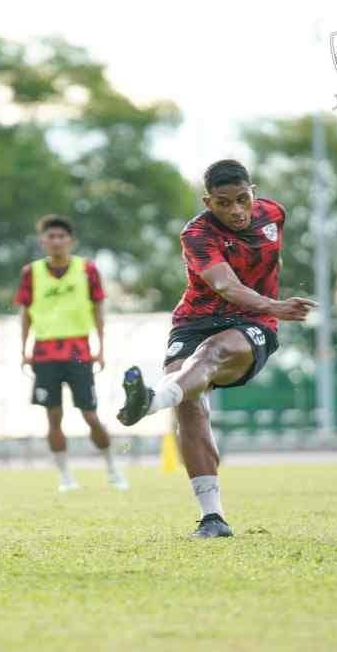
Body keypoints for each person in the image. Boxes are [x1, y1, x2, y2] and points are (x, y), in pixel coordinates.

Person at [116, 159, 317, 538]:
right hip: (195, 321)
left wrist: (269, 310)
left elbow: (261, 263)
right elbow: (225, 285)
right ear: (209, 202)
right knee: (189, 403)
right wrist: (275, 304)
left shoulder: (274, 213)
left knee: (209, 356)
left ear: (253, 192)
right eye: (224, 203)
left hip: (252, 322)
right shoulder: (196, 234)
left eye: (243, 199)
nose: (236, 210)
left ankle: (152, 400)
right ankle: (213, 518)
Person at [15, 215, 128, 493]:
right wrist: (24, 350)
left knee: (90, 415)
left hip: (79, 352)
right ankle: (65, 476)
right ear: (43, 242)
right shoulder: (31, 272)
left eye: (61, 237)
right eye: (50, 237)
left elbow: (98, 309)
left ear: (71, 241)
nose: (56, 241)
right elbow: (25, 313)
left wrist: (101, 348)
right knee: (53, 418)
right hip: (44, 354)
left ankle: (112, 467)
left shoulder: (87, 269)